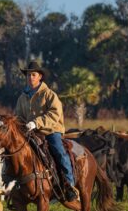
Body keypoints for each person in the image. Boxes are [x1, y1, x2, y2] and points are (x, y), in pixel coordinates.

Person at [15, 61, 80, 202]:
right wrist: (20, 125)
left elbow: (54, 114)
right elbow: (18, 116)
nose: (30, 77)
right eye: (28, 75)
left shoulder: (50, 95)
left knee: (59, 152)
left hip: (50, 130)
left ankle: (70, 185)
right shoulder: (22, 98)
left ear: (40, 77)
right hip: (30, 132)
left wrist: (36, 122)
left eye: (33, 74)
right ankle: (17, 185)